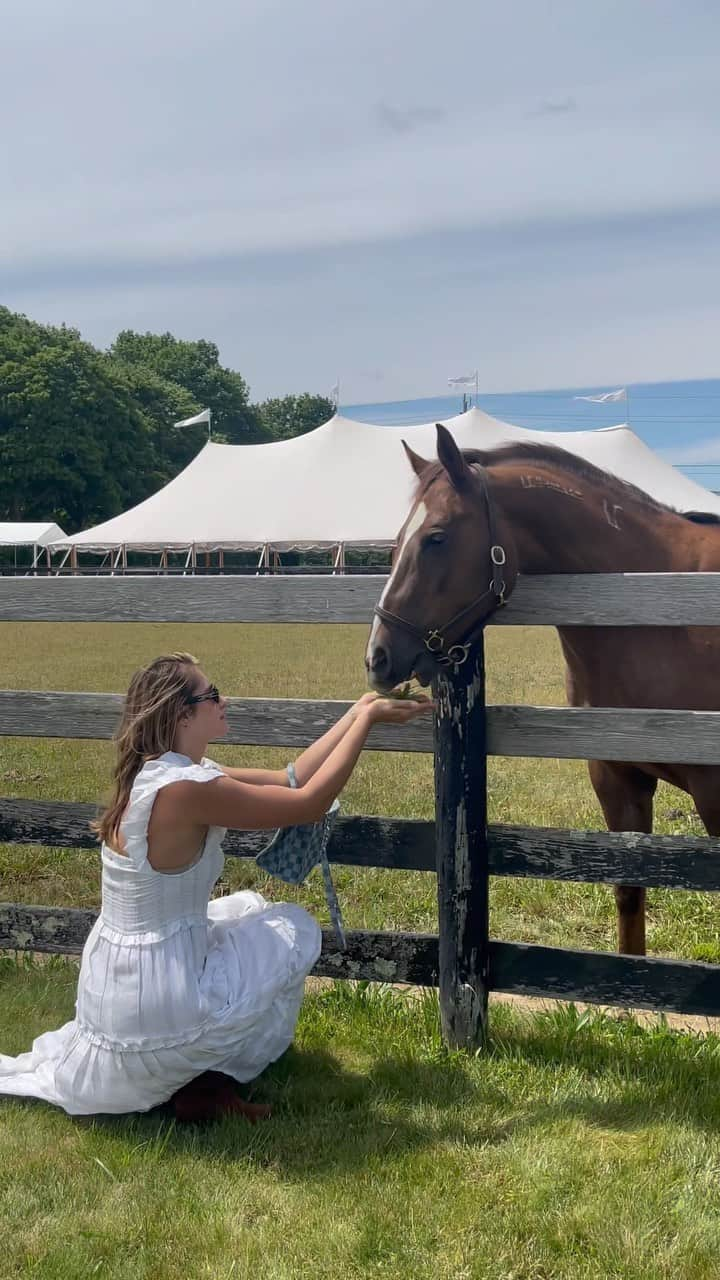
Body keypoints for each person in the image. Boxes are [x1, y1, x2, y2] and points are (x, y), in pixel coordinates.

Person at [0, 652, 432, 1123]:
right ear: (181, 714)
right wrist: (367, 721)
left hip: (120, 982)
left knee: (248, 909)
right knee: (293, 929)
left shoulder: (163, 771)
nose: (224, 700)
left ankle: (195, 1076)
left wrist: (356, 709)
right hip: (159, 994)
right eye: (212, 695)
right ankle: (213, 1081)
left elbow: (289, 779)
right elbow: (309, 802)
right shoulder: (186, 789)